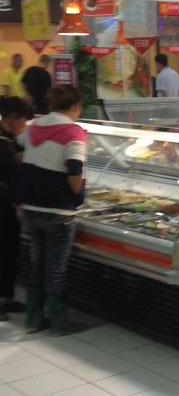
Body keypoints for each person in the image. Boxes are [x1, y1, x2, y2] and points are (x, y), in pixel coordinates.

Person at [18, 84, 87, 336]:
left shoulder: (34, 125)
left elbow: (19, 148)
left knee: (38, 265)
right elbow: (75, 170)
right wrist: (79, 197)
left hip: (31, 206)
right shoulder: (73, 131)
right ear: (76, 106)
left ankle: (33, 320)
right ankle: (59, 323)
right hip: (58, 210)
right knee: (55, 268)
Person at [0, 97, 32, 321]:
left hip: (7, 206)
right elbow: (14, 172)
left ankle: (8, 298)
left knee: (10, 251)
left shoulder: (9, 139)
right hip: (2, 205)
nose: (25, 126)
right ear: (14, 117)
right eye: (24, 121)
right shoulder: (2, 143)